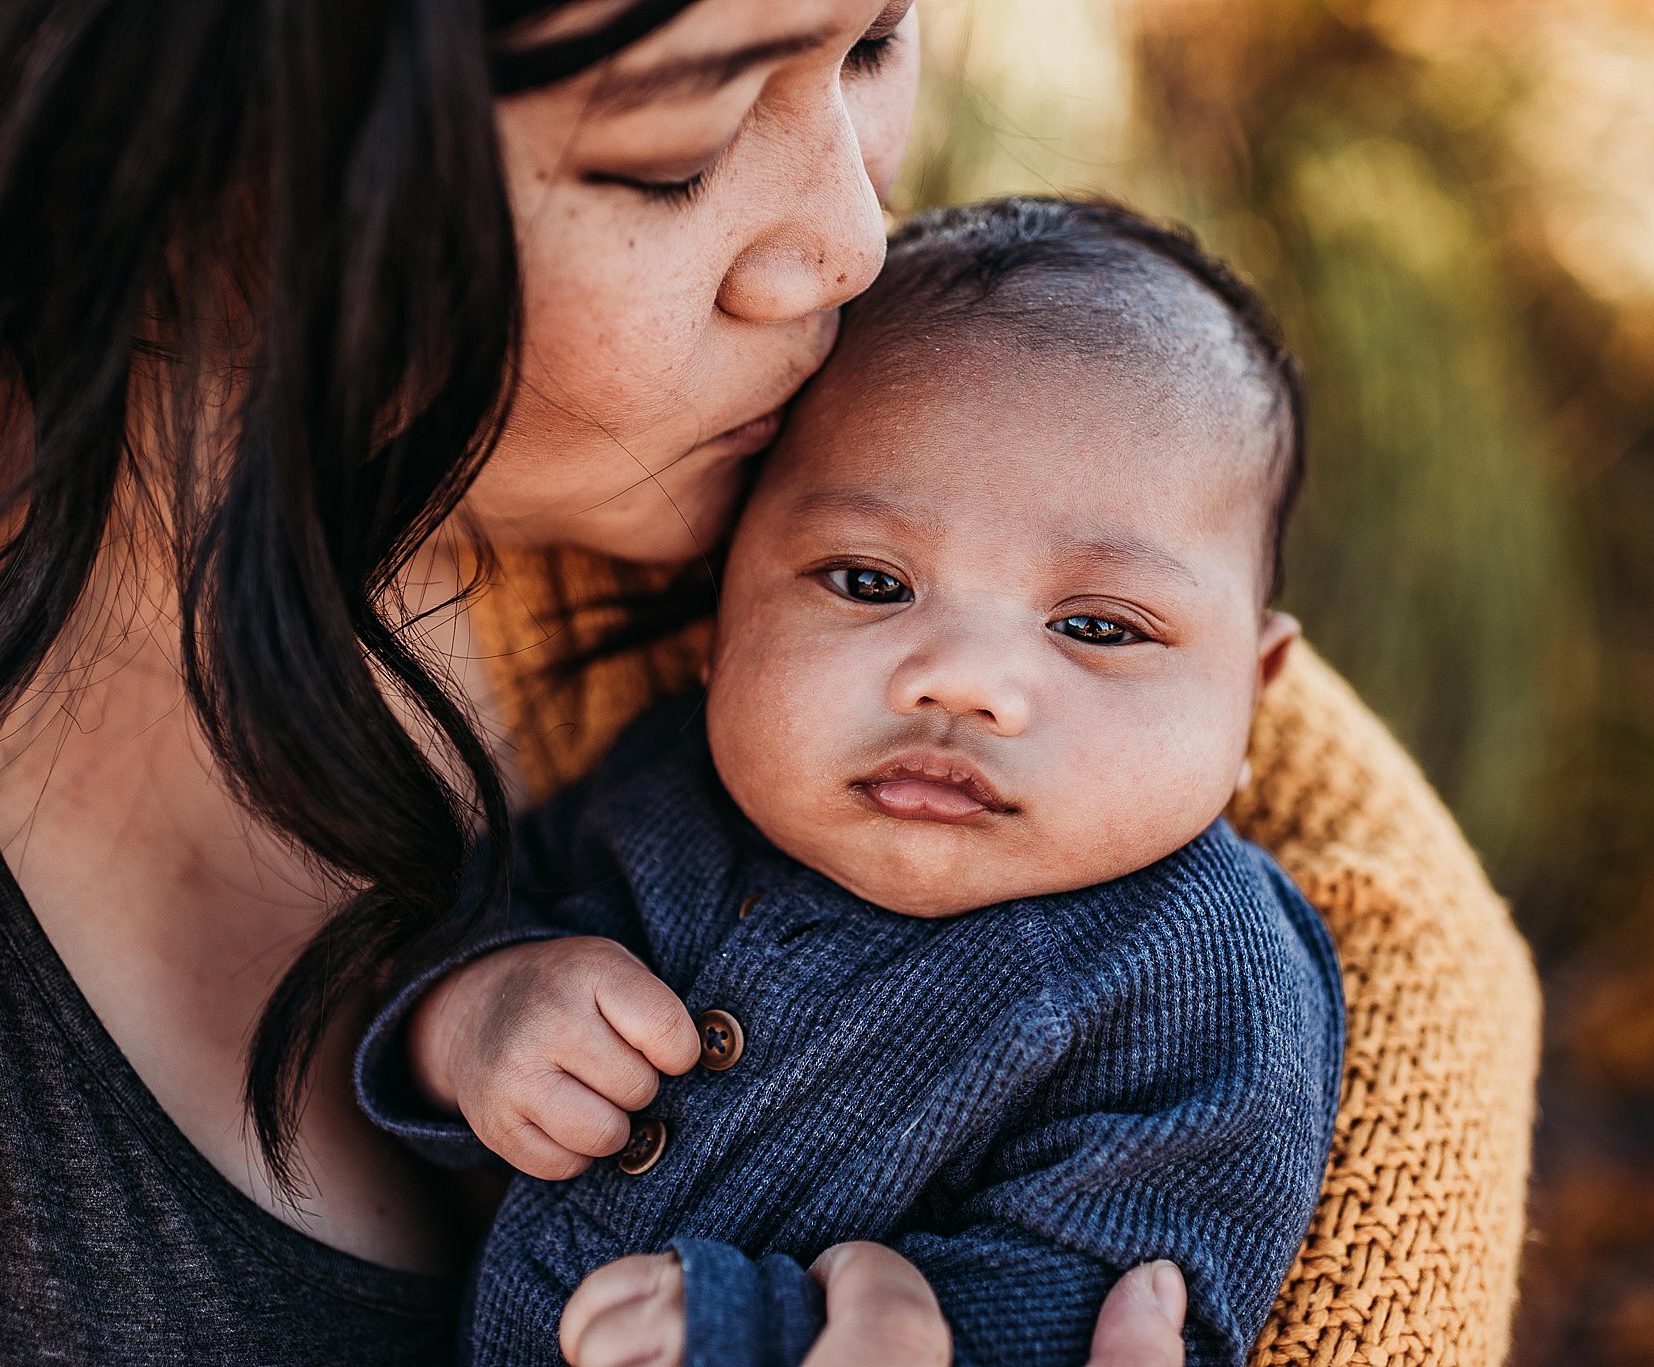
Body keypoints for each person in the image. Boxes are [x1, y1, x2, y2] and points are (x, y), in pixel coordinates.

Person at [0, 0, 1537, 1363]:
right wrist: (464, 1019)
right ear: (199, 143)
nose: (849, 244)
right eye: (671, 155)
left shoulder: (759, 472)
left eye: (871, 42)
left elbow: (1380, 906)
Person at [359, 197, 1345, 1367]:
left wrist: (766, 1329)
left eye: (1097, 623)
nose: (962, 683)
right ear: (726, 607)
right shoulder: (667, 791)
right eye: (869, 583)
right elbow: (445, 928)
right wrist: (470, 1014)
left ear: (1251, 693)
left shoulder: (1197, 965)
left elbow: (1125, 1303)